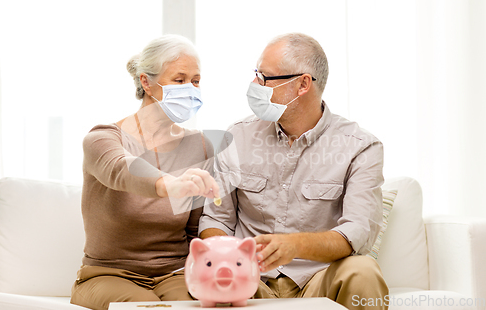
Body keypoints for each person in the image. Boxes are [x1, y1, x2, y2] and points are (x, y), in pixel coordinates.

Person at [199, 33, 389, 310]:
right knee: (208, 280)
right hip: (250, 279)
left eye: (265, 77)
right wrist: (229, 259)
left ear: (302, 84)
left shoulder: (361, 147)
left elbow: (357, 232)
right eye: (256, 74)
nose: (255, 85)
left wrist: (295, 245)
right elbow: (216, 219)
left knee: (363, 271)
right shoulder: (237, 136)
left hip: (319, 277)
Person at [70, 35, 220, 310]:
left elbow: (195, 229)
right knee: (146, 308)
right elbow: (121, 169)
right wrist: (168, 185)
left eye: (196, 81)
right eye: (179, 79)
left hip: (173, 274)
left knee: (204, 306)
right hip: (108, 274)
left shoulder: (199, 145)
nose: (190, 88)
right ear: (146, 82)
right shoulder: (102, 138)